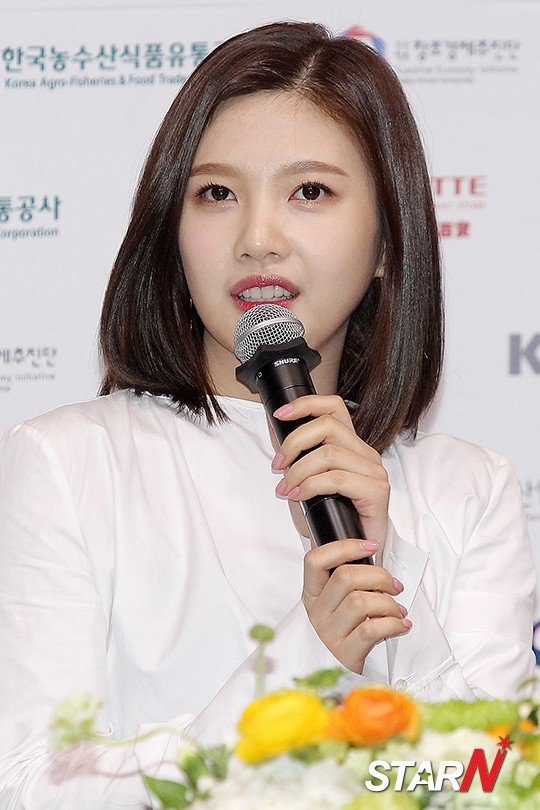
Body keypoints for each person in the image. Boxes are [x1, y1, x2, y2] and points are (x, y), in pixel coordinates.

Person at [0, 20, 535, 808]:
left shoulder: (468, 488)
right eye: (217, 194)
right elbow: (35, 788)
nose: (257, 239)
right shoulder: (70, 462)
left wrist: (390, 582)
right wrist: (304, 659)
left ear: (387, 240)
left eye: (310, 192)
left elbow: (492, 786)